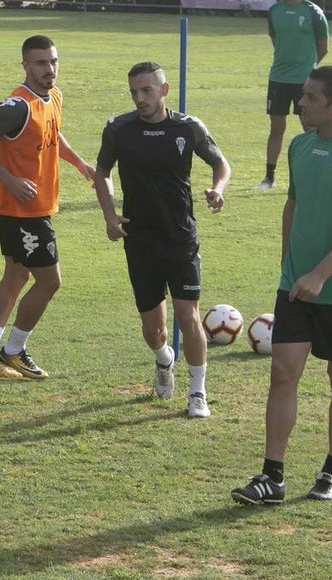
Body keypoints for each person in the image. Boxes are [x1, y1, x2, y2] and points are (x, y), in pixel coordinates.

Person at [233, 65, 332, 504]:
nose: (300, 104)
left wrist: (320, 275)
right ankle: (272, 477)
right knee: (282, 374)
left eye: (311, 98)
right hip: (296, 285)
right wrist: (290, 269)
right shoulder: (299, 145)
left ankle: (331, 469)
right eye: (302, 95)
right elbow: (292, 205)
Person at [92, 61, 231, 417]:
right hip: (139, 240)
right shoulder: (118, 129)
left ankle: (197, 393)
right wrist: (109, 214)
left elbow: (221, 164)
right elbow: (103, 172)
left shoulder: (188, 127)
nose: (140, 98)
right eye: (134, 92)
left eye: (147, 91)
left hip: (180, 237)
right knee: (154, 330)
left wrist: (217, 189)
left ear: (164, 90)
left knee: (188, 315)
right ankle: (164, 358)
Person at [0, 35, 95, 380]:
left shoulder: (53, 97)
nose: (49, 69)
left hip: (38, 207)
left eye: (53, 61)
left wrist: (79, 163)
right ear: (25, 65)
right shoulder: (17, 106)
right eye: (41, 63)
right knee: (50, 281)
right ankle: (14, 349)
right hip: (22, 212)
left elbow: (53, 135)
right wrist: (9, 179)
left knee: (16, 276)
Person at [257, 0, 329, 190]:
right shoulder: (274, 11)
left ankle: (316, 173)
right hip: (278, 78)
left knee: (310, 129)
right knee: (276, 128)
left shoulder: (313, 12)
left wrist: (307, 67)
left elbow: (323, 47)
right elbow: (275, 40)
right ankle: (269, 178)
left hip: (304, 81)